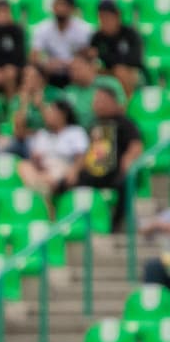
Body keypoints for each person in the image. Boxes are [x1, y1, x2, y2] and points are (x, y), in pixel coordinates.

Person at [58, 82, 142, 234]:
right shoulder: (94, 124)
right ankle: (62, 224)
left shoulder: (125, 123)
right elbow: (87, 151)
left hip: (115, 172)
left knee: (125, 185)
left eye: (101, 100)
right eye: (95, 101)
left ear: (112, 101)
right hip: (94, 171)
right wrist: (75, 170)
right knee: (64, 183)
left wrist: (129, 158)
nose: (96, 104)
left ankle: (114, 225)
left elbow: (136, 144)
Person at [17, 99, 88, 196]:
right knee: (24, 166)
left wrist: (74, 171)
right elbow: (20, 134)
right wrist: (36, 160)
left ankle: (39, 196)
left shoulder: (75, 132)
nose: (47, 116)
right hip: (43, 171)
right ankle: (41, 193)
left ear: (63, 114)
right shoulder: (42, 134)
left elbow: (81, 156)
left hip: (63, 168)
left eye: (52, 113)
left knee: (52, 175)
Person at [30, 0, 91, 88]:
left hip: (73, 69)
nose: (60, 9)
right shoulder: (42, 28)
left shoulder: (83, 29)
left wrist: (69, 63)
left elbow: (86, 56)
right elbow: (33, 56)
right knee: (31, 73)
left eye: (64, 5)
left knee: (84, 70)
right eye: (58, 5)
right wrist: (45, 64)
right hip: (49, 69)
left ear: (72, 8)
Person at [89, 0, 144, 101]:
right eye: (101, 17)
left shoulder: (130, 34)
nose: (104, 21)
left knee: (121, 71)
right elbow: (93, 58)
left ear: (117, 16)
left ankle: (124, 108)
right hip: (107, 72)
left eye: (108, 17)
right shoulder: (97, 37)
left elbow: (136, 60)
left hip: (133, 73)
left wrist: (103, 56)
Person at [138, 208, 170, 290]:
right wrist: (154, 225)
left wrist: (163, 225)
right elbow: (144, 229)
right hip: (167, 260)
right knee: (153, 267)